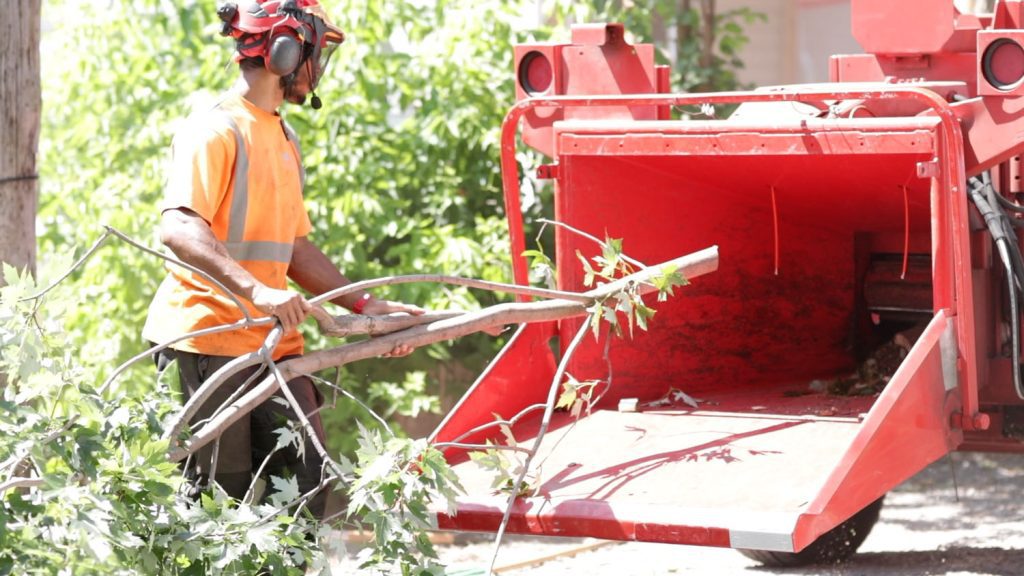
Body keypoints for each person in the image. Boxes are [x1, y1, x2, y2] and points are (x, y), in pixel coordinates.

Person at [143, 0, 423, 519]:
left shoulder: (284, 138)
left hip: (275, 345)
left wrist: (364, 306)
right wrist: (257, 291)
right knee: (217, 513)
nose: (317, 69)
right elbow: (179, 226)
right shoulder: (215, 130)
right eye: (314, 53)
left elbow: (293, 246)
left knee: (304, 495)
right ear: (284, 52)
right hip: (209, 345)